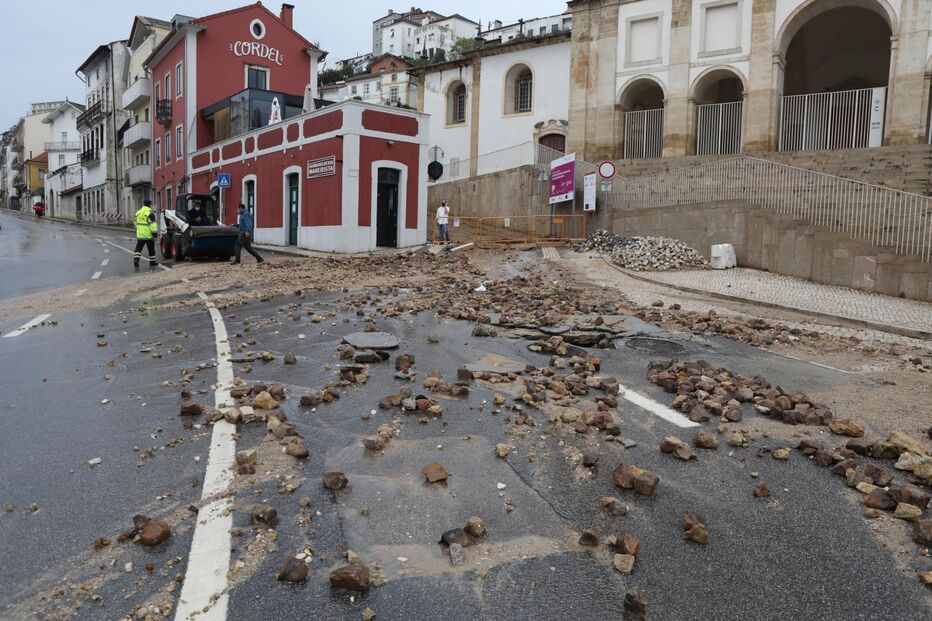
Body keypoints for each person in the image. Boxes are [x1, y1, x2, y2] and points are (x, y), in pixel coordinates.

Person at [133, 199, 158, 267]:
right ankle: (152, 262)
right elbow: (153, 226)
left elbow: (135, 223)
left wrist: (139, 229)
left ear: (144, 204)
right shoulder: (150, 214)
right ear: (149, 205)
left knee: (138, 248)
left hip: (140, 235)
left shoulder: (138, 212)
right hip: (148, 235)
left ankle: (136, 259)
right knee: (151, 249)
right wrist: (155, 235)